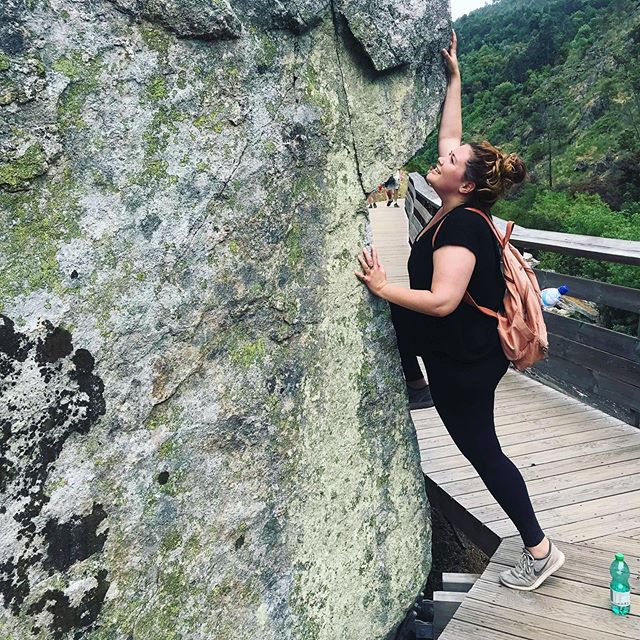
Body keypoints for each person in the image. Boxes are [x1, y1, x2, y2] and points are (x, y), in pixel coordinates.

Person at [355, 30, 565, 591]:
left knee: (482, 453)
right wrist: (455, 80)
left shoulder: (462, 228)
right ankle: (413, 378)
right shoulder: (457, 206)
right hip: (461, 357)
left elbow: (444, 301)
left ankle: (539, 550)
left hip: (465, 367)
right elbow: (453, 136)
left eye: (449, 160)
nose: (441, 157)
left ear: (465, 183)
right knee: (480, 446)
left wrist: (381, 286)